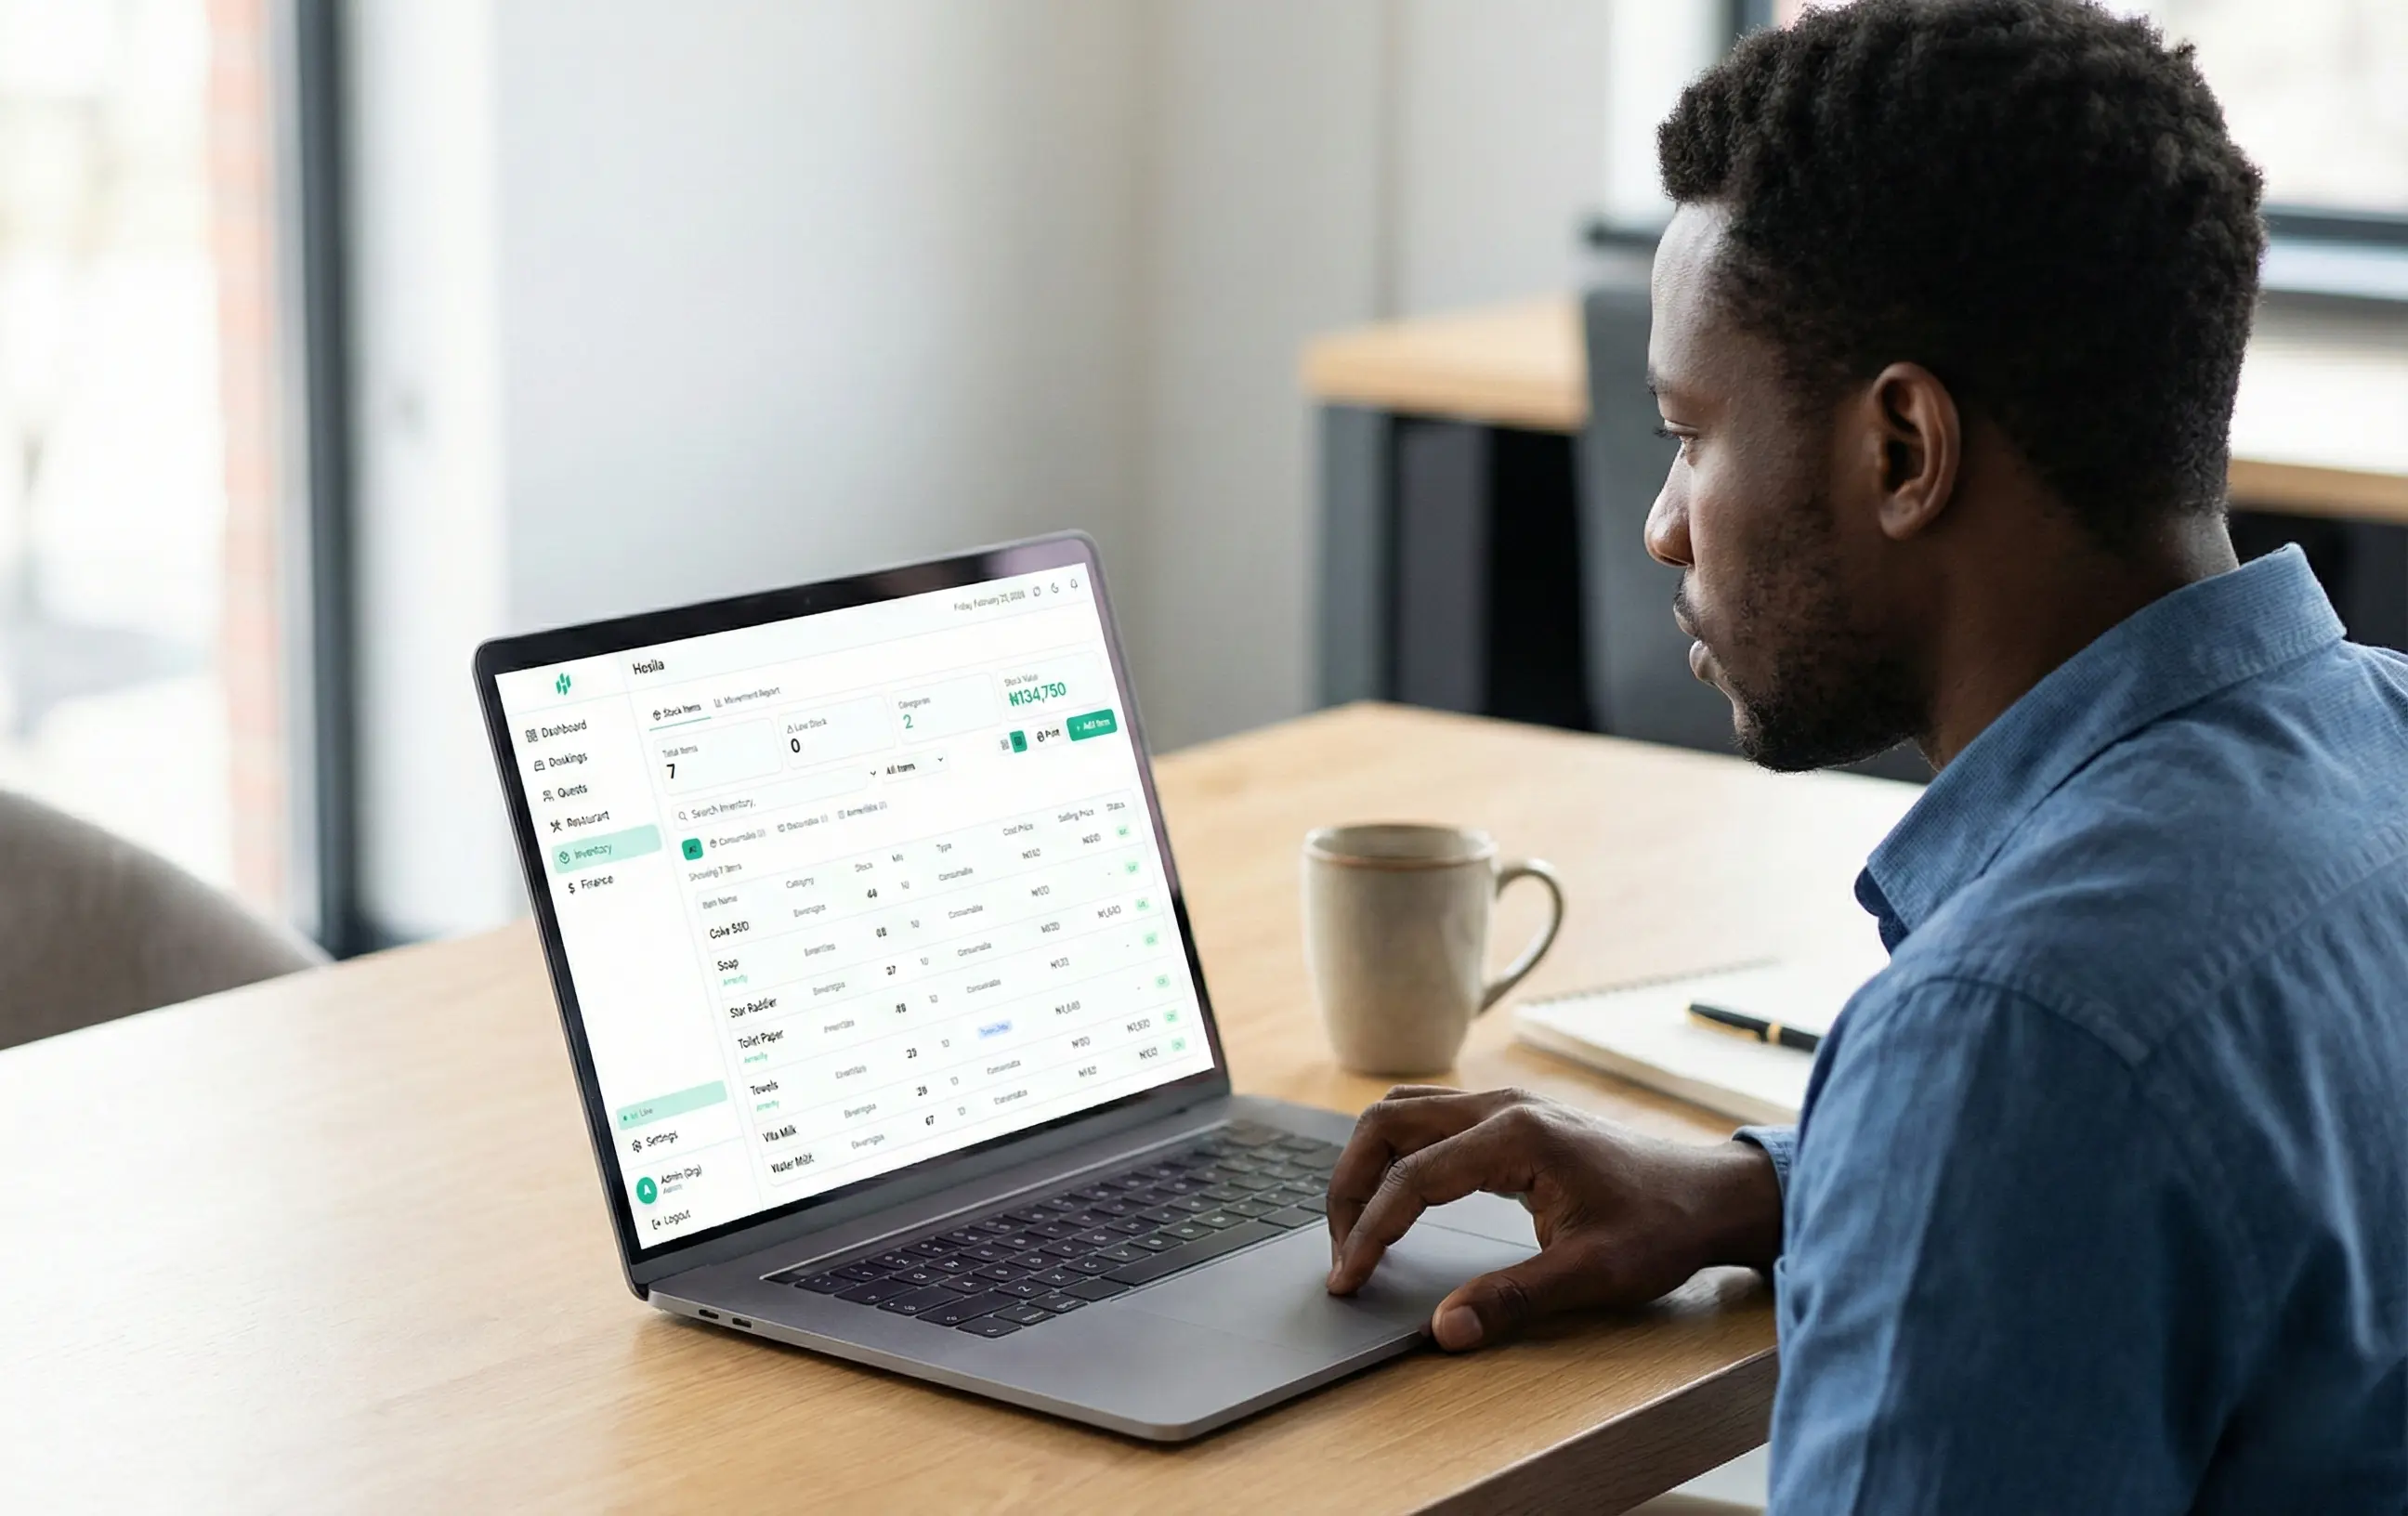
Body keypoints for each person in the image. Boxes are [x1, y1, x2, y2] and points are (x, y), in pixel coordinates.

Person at [1320, 1, 2408, 1509]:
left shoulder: (2011, 1037)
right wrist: (1774, 1183)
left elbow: (2047, 1086)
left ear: (1904, 448)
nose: (1661, 522)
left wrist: (1929, 1145)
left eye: (1690, 433)